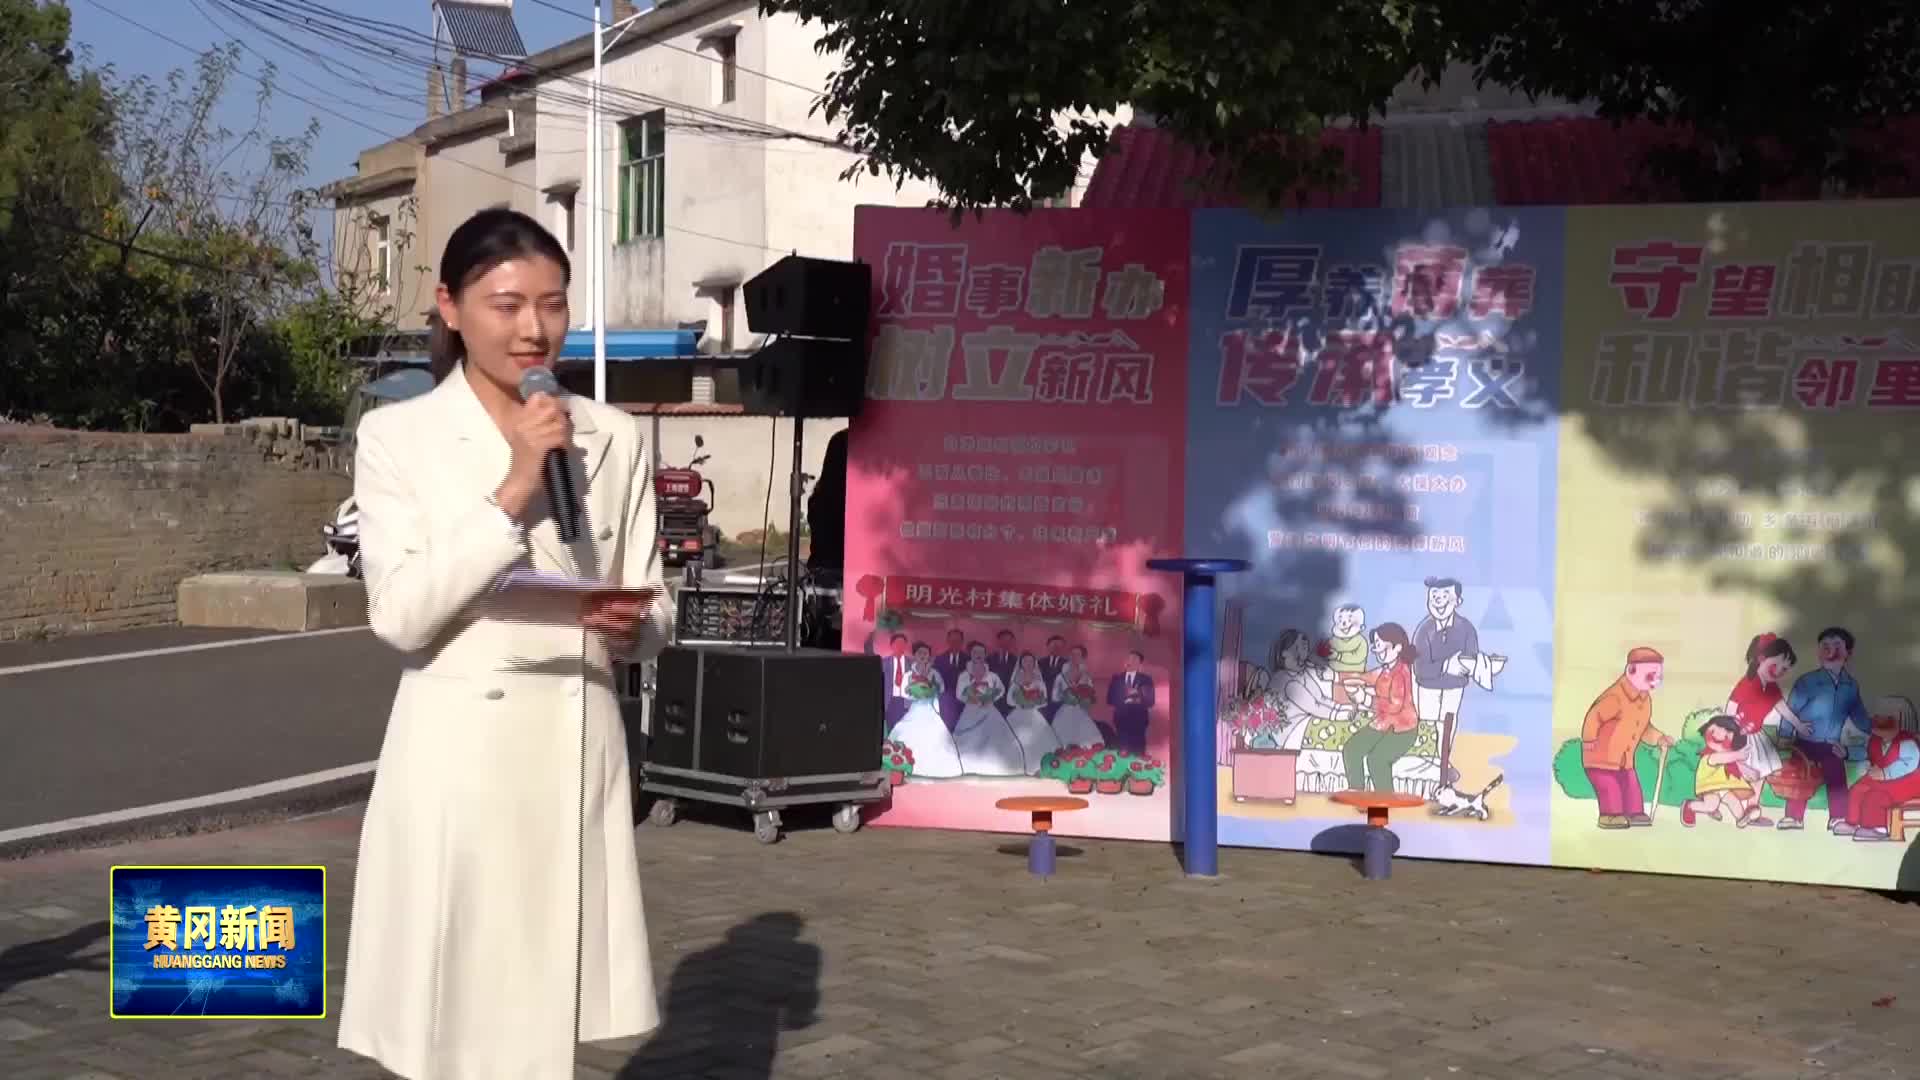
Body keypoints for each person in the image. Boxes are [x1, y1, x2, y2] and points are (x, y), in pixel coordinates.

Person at [336, 208, 671, 1080]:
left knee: (542, 1011)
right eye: (507, 304)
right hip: (461, 759)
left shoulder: (612, 435)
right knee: (457, 1010)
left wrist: (636, 625)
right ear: (450, 307)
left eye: (552, 305)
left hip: (575, 741)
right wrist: (515, 487)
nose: (533, 329)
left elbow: (654, 601)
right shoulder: (398, 436)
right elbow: (400, 615)